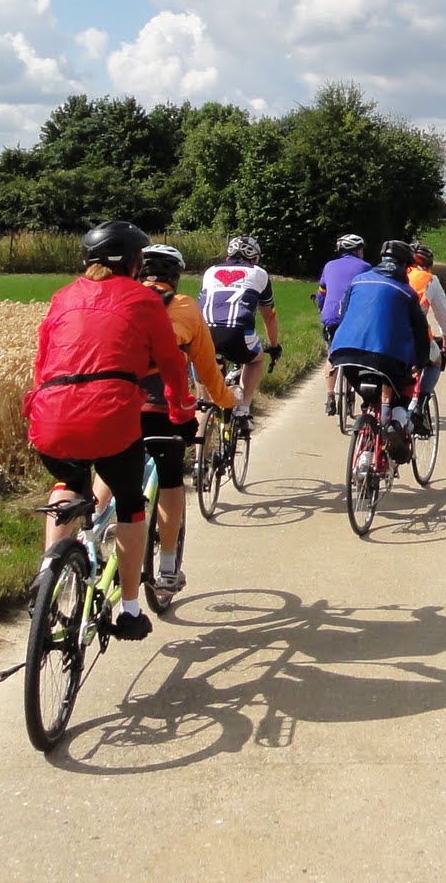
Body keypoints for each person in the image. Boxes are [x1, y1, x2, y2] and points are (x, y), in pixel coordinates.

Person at [26, 219, 187, 641]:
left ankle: (48, 574)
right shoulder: (142, 298)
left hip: (50, 415)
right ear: (135, 263)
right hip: (111, 418)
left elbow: (43, 361)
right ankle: (131, 611)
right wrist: (181, 408)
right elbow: (170, 360)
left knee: (69, 480)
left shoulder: (63, 296)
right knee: (132, 506)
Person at [138, 243, 234, 607]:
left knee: (111, 467)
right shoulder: (185, 308)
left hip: (110, 404)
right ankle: (166, 567)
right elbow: (207, 371)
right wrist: (228, 402)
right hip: (162, 407)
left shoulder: (120, 302)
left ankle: (95, 520)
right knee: (170, 479)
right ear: (175, 278)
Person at [326, 239, 430, 450]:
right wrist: (421, 360)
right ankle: (395, 424)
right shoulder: (406, 292)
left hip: (344, 355)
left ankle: (369, 431)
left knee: (370, 396)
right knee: (402, 388)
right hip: (384, 358)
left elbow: (344, 315)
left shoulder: (358, 281)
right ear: (404, 266)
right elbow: (419, 331)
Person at [197, 235, 280, 425]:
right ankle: (243, 409)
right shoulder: (259, 273)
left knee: (205, 400)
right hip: (237, 332)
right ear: (254, 258)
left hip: (203, 332)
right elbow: (269, 316)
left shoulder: (210, 271)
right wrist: (273, 345)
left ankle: (203, 438)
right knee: (255, 360)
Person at [314, 232, 371, 415]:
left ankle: (330, 396)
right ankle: (363, 394)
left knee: (332, 354)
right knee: (359, 354)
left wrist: (322, 309)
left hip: (332, 318)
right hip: (355, 318)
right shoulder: (366, 267)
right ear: (357, 250)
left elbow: (322, 293)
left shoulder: (329, 266)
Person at [406, 242, 446, 435]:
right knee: (435, 360)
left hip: (381, 336)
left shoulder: (391, 274)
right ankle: (420, 403)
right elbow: (444, 318)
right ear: (428, 264)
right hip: (414, 338)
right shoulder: (428, 279)